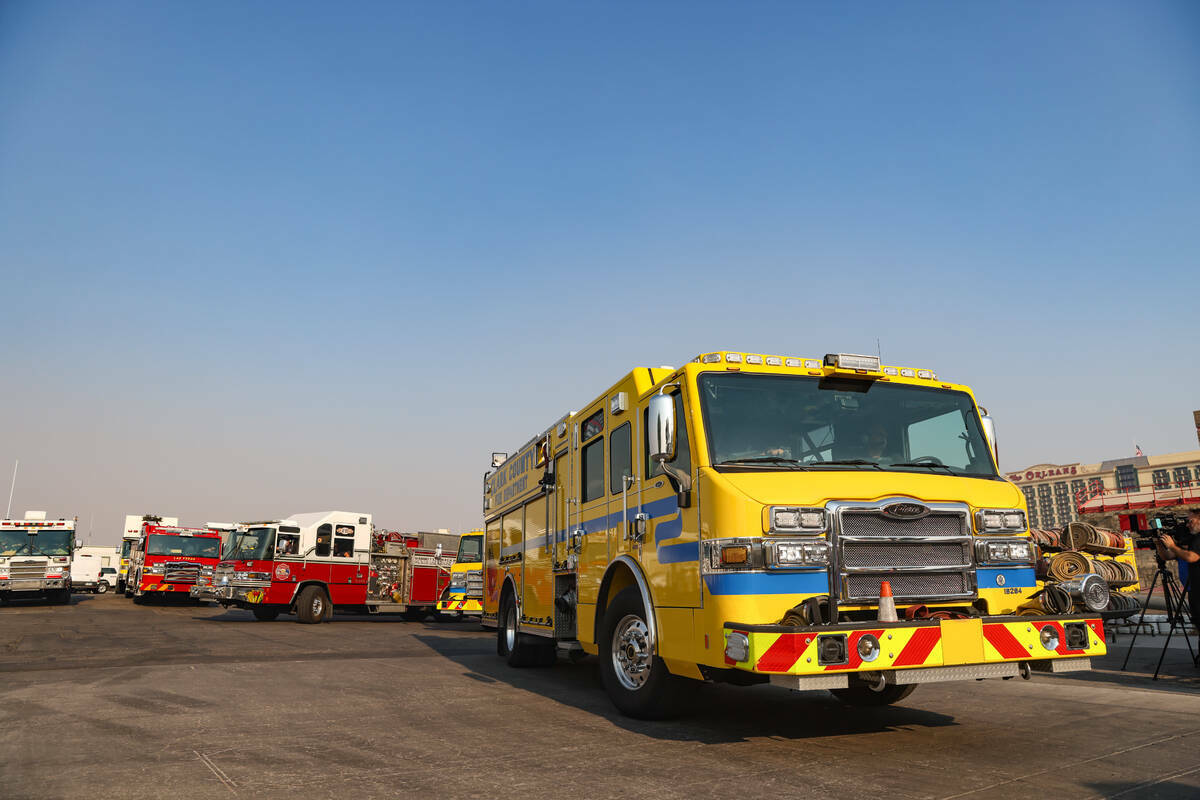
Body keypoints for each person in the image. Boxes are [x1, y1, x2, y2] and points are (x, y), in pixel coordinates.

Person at [1155, 510, 1200, 632]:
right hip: (1192, 589)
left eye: (1190, 521)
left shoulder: (1198, 540)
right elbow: (1168, 556)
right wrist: (1160, 544)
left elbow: (1192, 557)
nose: (1187, 525)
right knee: (1197, 621)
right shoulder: (1187, 544)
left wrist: (1172, 546)